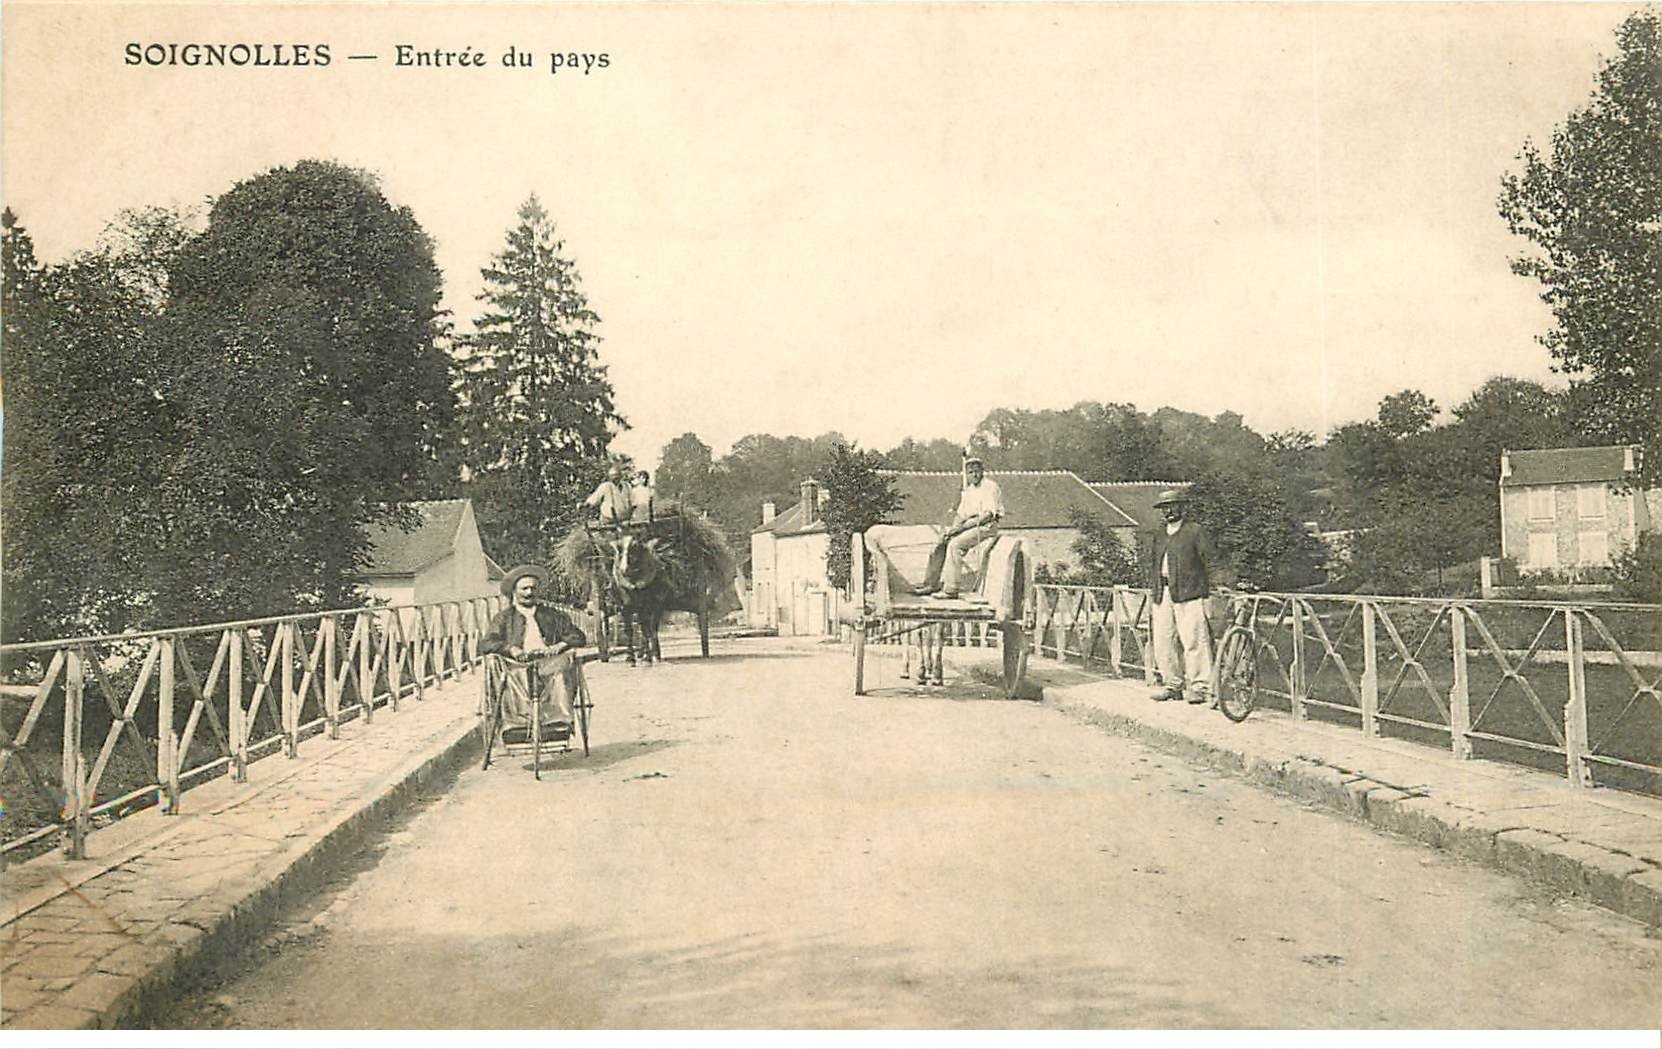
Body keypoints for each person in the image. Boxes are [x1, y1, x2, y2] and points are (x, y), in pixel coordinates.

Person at [480, 564, 588, 741]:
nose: (529, 593)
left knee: (560, 674)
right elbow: (487, 643)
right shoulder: (504, 618)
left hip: (548, 662)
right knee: (510, 679)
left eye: (533, 588)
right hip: (517, 665)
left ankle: (558, 721)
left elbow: (578, 636)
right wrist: (511, 649)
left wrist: (559, 645)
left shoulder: (551, 615)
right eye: (524, 589)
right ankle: (517, 724)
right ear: (514, 591)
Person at [1146, 489, 1220, 705]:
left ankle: (1199, 687)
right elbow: (1153, 563)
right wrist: (1154, 588)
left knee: (1193, 640)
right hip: (1163, 592)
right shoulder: (1160, 534)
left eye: (1172, 506)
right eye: (1164, 508)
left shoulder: (1195, 531)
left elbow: (1210, 560)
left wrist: (1215, 588)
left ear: (1182, 507)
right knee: (1163, 639)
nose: (1168, 511)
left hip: (1190, 592)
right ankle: (1172, 684)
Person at [914, 457, 1005, 600]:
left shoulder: (990, 487)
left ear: (982, 471)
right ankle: (931, 584)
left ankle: (951, 589)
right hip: (969, 525)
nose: (974, 475)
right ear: (966, 474)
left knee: (955, 545)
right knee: (941, 542)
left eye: (977, 471)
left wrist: (961, 528)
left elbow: (987, 515)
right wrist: (952, 530)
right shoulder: (969, 490)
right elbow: (961, 515)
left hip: (986, 526)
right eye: (970, 472)